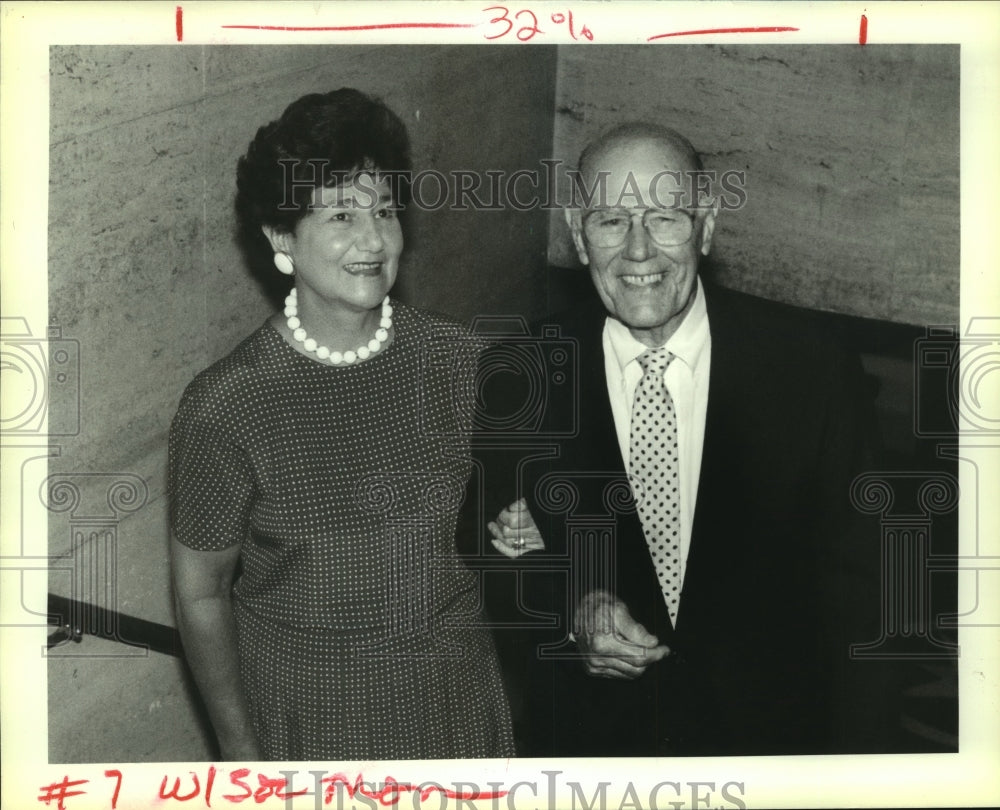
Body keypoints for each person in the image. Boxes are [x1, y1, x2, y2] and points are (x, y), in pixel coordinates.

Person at [470, 122, 896, 756]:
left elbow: (868, 599)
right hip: (592, 755)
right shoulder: (519, 375)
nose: (638, 252)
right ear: (577, 235)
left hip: (771, 755)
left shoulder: (811, 368)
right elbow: (484, 543)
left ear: (706, 224)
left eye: (664, 218)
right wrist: (569, 605)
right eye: (612, 221)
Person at [168, 88, 515, 761]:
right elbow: (200, 593)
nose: (373, 238)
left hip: (454, 701)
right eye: (340, 214)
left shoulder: (463, 361)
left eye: (385, 210)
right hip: (313, 718)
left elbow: (504, 524)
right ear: (280, 237)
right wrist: (241, 751)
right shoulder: (226, 406)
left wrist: (521, 529)